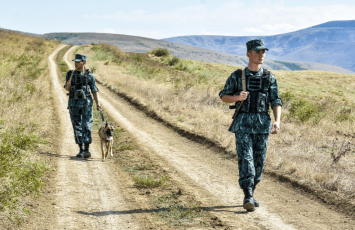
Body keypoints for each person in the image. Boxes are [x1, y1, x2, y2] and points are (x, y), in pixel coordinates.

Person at [219, 39, 282, 212]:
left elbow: (275, 100)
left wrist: (277, 121)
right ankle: (247, 195)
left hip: (262, 124)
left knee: (259, 161)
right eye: (258, 52)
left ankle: (252, 194)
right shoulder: (237, 76)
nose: (261, 55)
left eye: (263, 52)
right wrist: (237, 98)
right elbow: (224, 96)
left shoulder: (269, 77)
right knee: (246, 159)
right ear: (249, 54)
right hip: (243, 124)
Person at [64, 54, 101, 158]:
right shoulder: (70, 74)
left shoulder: (90, 75)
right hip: (73, 103)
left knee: (87, 125)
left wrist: (98, 103)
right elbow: (67, 89)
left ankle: (87, 149)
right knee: (76, 126)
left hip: (86, 103)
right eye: (75, 61)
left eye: (78, 61)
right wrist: (68, 86)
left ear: (84, 62)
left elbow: (94, 90)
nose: (76, 63)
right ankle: (80, 149)